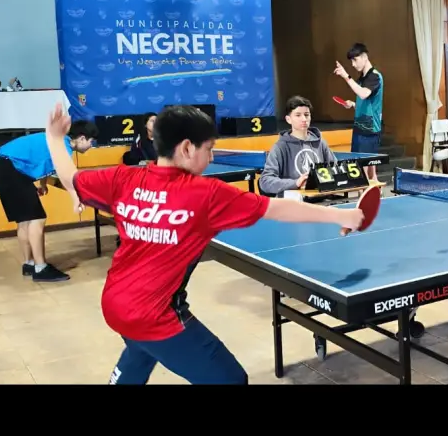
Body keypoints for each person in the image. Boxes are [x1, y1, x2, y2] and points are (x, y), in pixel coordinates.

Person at [43, 103, 364, 385]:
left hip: (114, 302)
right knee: (230, 379)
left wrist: (54, 138)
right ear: (185, 148)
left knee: (140, 352)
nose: (211, 157)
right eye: (208, 149)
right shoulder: (205, 195)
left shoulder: (123, 178)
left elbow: (71, 178)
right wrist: (340, 217)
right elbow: (278, 208)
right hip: (156, 313)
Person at [0, 121, 99, 282]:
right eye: (92, 142)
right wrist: (76, 199)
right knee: (37, 218)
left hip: (2, 168)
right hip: (13, 171)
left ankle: (29, 263)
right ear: (82, 138)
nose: (92, 146)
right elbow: (67, 176)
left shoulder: (58, 140)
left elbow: (46, 162)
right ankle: (41, 268)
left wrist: (42, 184)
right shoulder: (63, 147)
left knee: (24, 220)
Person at [258, 96, 338, 197]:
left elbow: (335, 170)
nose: (304, 119)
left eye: (306, 115)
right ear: (288, 119)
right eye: (298, 115)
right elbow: (265, 181)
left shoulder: (321, 143)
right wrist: (295, 183)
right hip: (293, 205)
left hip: (321, 200)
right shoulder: (280, 147)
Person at [335, 42, 383, 181]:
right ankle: (370, 196)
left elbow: (363, 94)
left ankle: (372, 198)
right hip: (359, 128)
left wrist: (346, 76)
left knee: (366, 169)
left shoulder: (374, 76)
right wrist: (353, 104)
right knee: (364, 168)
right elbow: (367, 102)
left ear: (364, 57)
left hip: (370, 130)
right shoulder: (363, 78)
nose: (353, 64)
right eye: (351, 61)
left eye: (355, 60)